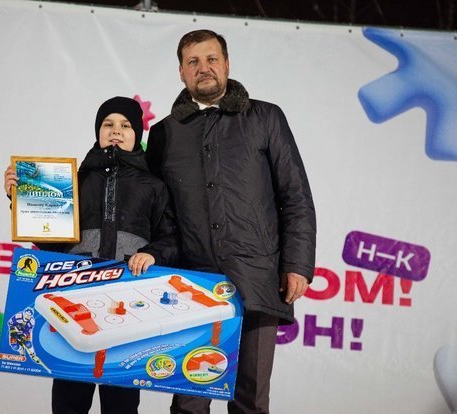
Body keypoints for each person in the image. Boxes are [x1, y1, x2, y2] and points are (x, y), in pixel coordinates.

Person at [145, 29, 316, 414]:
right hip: (191, 284)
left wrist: (297, 264)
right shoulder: (164, 133)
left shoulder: (265, 117)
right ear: (181, 72)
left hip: (258, 277)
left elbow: (295, 195)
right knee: (189, 400)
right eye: (193, 61)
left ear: (226, 64)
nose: (203, 68)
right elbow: (149, 205)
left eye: (211, 59)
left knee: (249, 399)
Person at [4, 96, 179, 414]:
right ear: (98, 131)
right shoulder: (73, 181)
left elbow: (171, 238)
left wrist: (154, 253)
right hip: (76, 301)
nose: (116, 131)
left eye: (126, 125)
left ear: (138, 133)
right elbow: (52, 244)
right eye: (108, 124)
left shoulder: (154, 186)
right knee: (69, 397)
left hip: (128, 304)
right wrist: (21, 199)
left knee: (121, 403)